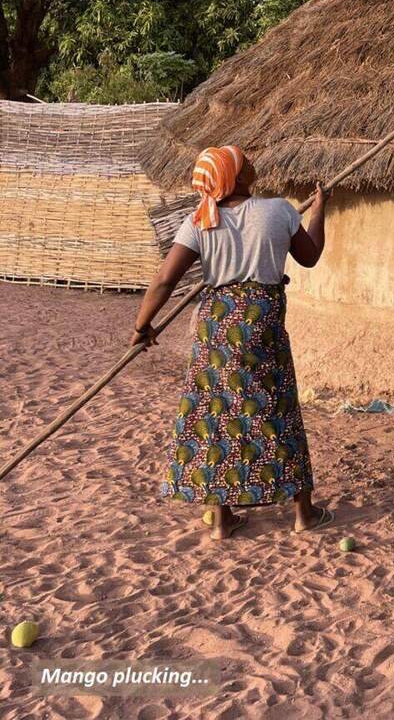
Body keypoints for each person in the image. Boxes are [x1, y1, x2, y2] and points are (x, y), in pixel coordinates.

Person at [131, 145, 331, 540]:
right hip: (263, 322)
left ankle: (222, 520)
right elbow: (310, 256)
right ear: (236, 177)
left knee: (216, 416)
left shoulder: (200, 222)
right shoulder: (279, 211)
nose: (253, 163)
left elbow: (165, 281)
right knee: (278, 409)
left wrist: (143, 325)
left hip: (217, 328)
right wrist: (320, 209)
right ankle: (303, 514)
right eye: (245, 162)